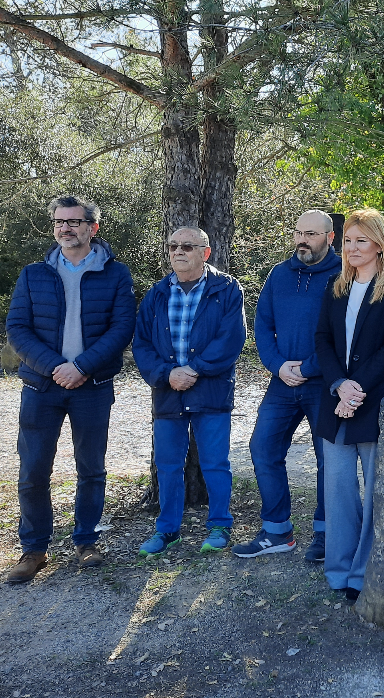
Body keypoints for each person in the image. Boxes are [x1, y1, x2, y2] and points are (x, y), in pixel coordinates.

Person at [4, 195, 136, 583]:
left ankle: (87, 541)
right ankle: (34, 549)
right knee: (32, 471)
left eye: (75, 222)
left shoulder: (116, 273)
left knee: (91, 469)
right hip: (40, 387)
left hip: (92, 385)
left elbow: (121, 328)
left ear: (92, 227)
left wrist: (80, 367)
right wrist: (55, 367)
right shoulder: (33, 274)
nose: (66, 228)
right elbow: (18, 329)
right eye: (60, 222)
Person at [315, 208, 384, 600]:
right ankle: (339, 571)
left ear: (378, 244)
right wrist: (340, 385)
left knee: (376, 493)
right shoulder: (334, 286)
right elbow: (322, 340)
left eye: (361, 240)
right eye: (348, 240)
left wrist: (356, 390)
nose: (352, 247)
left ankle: (363, 573)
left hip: (377, 404)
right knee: (338, 493)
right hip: (336, 402)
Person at [232, 210, 342, 561]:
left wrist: (308, 368)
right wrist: (278, 366)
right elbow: (262, 324)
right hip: (282, 382)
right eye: (297, 232)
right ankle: (277, 531)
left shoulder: (344, 276)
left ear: (330, 237)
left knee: (329, 458)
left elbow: (342, 334)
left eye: (310, 234)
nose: (301, 240)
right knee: (263, 448)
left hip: (323, 382)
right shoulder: (279, 274)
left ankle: (326, 532)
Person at [132, 226, 246, 556]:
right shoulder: (157, 293)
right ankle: (168, 531)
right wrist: (167, 374)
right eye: (172, 246)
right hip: (168, 392)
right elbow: (141, 343)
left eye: (187, 246)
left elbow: (231, 339)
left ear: (205, 252)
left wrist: (194, 370)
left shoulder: (226, 288)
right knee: (168, 465)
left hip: (210, 391)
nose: (178, 251)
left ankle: (220, 526)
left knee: (215, 463)